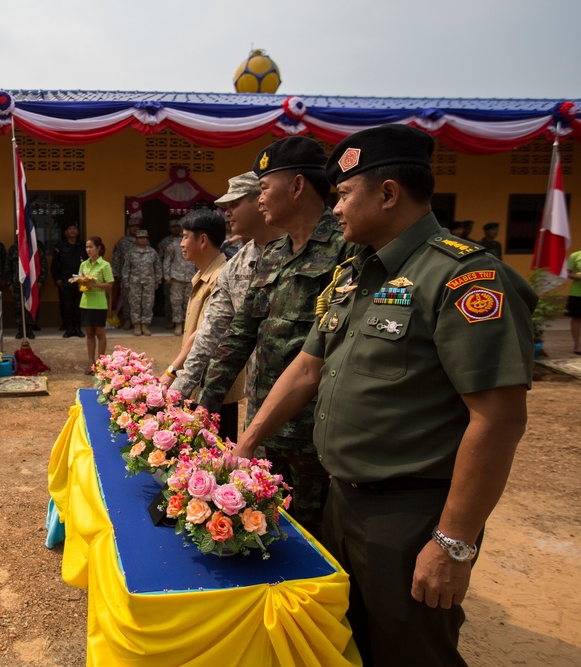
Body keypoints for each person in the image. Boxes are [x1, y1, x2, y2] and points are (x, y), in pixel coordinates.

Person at [232, 124, 536, 666]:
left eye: (345, 194)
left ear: (388, 193)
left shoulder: (463, 279)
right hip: (343, 501)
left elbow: (498, 420)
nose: (338, 207)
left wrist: (453, 543)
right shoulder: (356, 274)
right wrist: (246, 443)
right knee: (355, 641)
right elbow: (306, 368)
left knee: (413, 649)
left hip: (411, 512)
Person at [198, 136, 352, 539]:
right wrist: (203, 406)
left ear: (298, 186)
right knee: (264, 527)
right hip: (264, 426)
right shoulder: (273, 253)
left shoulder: (347, 250)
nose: (260, 198)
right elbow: (240, 334)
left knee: (317, 536)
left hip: (316, 433)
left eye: (265, 187)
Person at [162, 172, 285, 434]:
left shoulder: (301, 251)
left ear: (261, 200)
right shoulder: (237, 265)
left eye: (234, 204)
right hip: (257, 400)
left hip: (303, 402)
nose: (227, 213)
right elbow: (210, 332)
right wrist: (180, 394)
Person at [78, 236, 114, 374]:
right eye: (87, 247)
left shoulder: (105, 265)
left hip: (99, 304)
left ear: (98, 248)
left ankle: (101, 363)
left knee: (100, 334)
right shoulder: (84, 264)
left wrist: (95, 284)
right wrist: (82, 284)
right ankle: (90, 362)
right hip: (86, 303)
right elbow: (80, 283)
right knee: (89, 334)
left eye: (91, 247)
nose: (88, 250)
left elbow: (110, 284)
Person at [161, 218, 198, 335]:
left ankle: (187, 325)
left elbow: (198, 260)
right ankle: (178, 324)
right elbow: (167, 261)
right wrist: (167, 276)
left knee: (189, 303)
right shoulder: (172, 245)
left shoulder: (194, 243)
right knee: (176, 302)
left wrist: (199, 275)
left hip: (191, 277)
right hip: (176, 277)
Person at [51, 222, 87, 338]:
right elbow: (54, 264)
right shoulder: (60, 246)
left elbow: (88, 263)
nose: (72, 231)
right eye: (70, 228)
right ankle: (69, 328)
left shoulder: (83, 245)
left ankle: (77, 328)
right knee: (67, 305)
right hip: (65, 281)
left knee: (79, 305)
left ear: (78, 231)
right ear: (66, 232)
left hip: (80, 280)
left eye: (74, 228)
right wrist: (57, 278)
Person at [7, 239, 48, 339]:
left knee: (30, 305)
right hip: (17, 283)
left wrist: (40, 281)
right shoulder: (13, 249)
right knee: (18, 307)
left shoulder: (35, 248)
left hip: (32, 283)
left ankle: (30, 329)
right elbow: (8, 266)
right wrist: (9, 283)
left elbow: (42, 265)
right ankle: (21, 329)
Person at [123, 230, 162, 336]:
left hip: (149, 282)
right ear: (136, 239)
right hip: (134, 282)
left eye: (144, 237)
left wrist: (157, 280)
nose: (142, 239)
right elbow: (126, 269)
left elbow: (157, 267)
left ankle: (145, 325)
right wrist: (126, 283)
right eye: (140, 238)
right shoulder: (130, 253)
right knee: (135, 304)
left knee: (148, 304)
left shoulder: (152, 252)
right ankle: (137, 325)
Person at [111, 219, 140, 329]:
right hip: (126, 276)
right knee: (127, 299)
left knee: (141, 300)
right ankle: (127, 320)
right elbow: (116, 258)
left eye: (137, 226)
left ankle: (139, 322)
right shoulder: (122, 242)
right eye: (133, 226)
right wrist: (116, 274)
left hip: (142, 276)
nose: (135, 228)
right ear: (128, 228)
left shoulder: (144, 241)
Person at [567, 248, 581, 354]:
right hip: (577, 293)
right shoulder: (575, 256)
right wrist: (578, 277)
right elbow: (568, 274)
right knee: (576, 318)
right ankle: (577, 346)